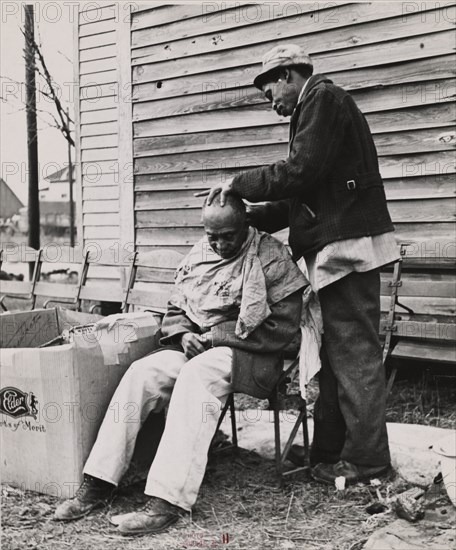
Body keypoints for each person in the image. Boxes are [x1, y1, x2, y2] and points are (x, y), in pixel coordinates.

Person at [203, 44, 400, 485]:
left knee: (354, 355)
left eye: (269, 87)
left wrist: (238, 183)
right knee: (335, 355)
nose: (269, 99)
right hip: (336, 248)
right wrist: (256, 215)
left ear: (290, 74)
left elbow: (300, 171)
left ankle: (369, 461)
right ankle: (331, 450)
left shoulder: (323, 99)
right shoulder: (314, 110)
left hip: (348, 248)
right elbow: (302, 196)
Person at [54, 194, 307, 536]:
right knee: (143, 373)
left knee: (195, 377)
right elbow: (175, 309)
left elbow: (283, 331)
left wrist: (217, 335)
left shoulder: (271, 257)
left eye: (227, 236)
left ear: (246, 224)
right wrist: (184, 333)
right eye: (211, 235)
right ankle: (99, 480)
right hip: (198, 346)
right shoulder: (200, 254)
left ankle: (166, 500)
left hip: (251, 354)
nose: (217, 244)